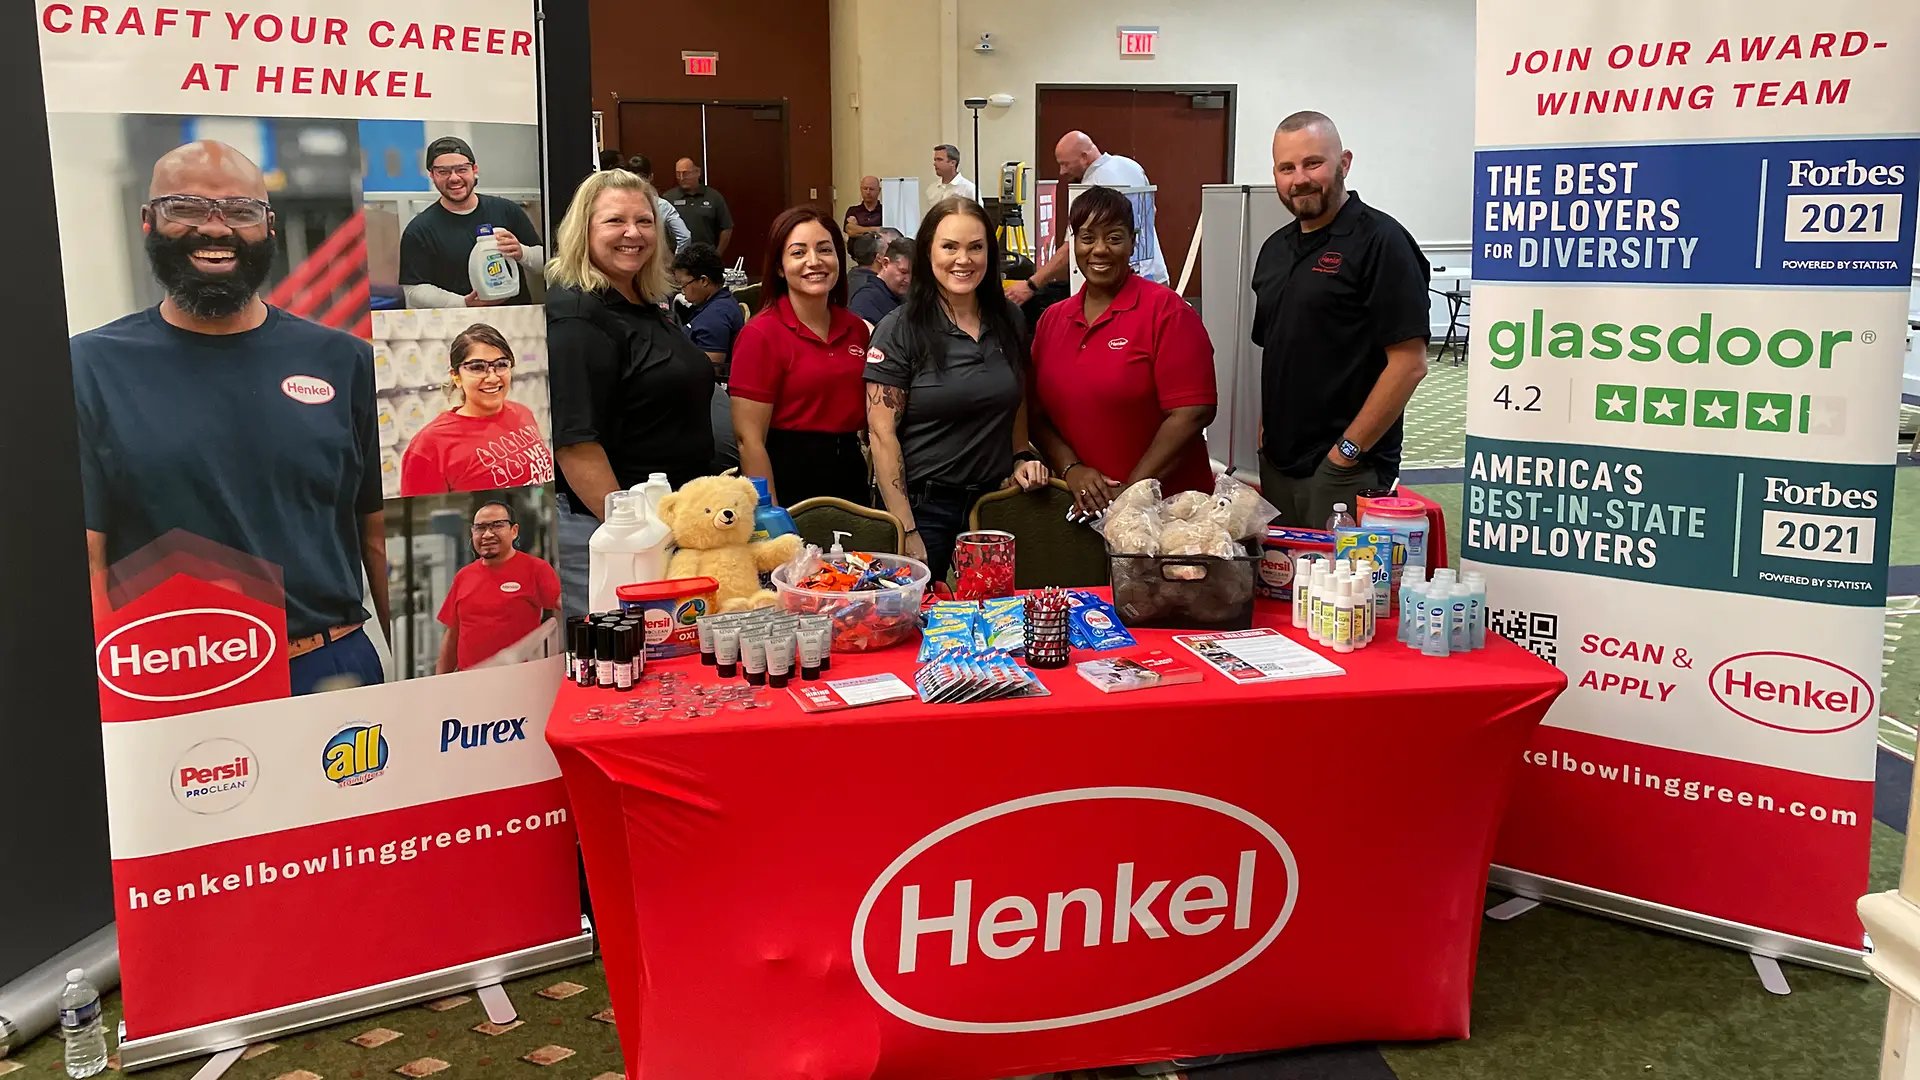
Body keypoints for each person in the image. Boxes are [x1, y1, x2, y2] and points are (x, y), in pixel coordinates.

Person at [72, 140, 388, 696]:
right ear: (149, 221)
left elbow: (380, 538)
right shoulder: (89, 367)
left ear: (267, 226)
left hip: (329, 672)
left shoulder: (347, 362)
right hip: (169, 679)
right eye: (186, 207)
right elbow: (87, 554)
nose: (216, 228)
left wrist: (435, 691)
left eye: (241, 211)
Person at [547, 168, 715, 621]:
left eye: (644, 221)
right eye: (614, 221)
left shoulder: (645, 302)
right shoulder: (578, 315)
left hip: (667, 527)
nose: (632, 233)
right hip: (614, 536)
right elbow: (576, 444)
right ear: (583, 230)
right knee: (623, 667)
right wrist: (634, 536)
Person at [1254, 110, 1429, 527]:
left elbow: (1409, 364)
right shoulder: (1274, 250)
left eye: (1313, 163)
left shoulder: (1382, 242)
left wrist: (1345, 454)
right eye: (1287, 168)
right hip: (1279, 466)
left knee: (1343, 592)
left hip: (1346, 470)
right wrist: (1266, 437)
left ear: (1344, 163)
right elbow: (1277, 349)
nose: (1299, 179)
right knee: (1284, 590)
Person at [865, 198, 1050, 582]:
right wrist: (906, 529)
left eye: (975, 247)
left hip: (994, 500)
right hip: (925, 506)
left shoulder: (1009, 320)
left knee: (999, 619)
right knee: (918, 622)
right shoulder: (900, 328)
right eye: (949, 247)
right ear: (928, 251)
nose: (963, 260)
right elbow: (882, 435)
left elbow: (1014, 393)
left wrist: (1020, 455)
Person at [1030, 187, 1217, 517]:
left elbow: (1192, 412)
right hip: (1080, 510)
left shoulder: (1166, 312)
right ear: (1074, 243)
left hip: (1169, 514)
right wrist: (1071, 468)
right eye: (1087, 238)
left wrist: (1132, 496)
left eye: (1114, 238)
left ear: (1133, 241)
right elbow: (1035, 414)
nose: (1099, 250)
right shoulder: (1052, 319)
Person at [729, 207, 872, 507]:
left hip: (848, 469)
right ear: (780, 267)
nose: (814, 261)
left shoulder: (857, 329)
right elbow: (749, 440)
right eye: (798, 252)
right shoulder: (761, 334)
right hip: (787, 474)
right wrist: (771, 515)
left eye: (824, 250)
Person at [1007, 130, 1168, 308]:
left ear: (1084, 157)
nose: (1062, 172)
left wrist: (1031, 285)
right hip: (1154, 275)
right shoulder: (1130, 166)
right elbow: (1152, 210)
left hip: (1117, 289)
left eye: (1065, 164)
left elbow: (1070, 248)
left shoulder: (1088, 190)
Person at [400, 323, 555, 495]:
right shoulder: (428, 446)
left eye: (501, 364)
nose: (492, 377)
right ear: (456, 377)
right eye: (477, 367)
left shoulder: (522, 413)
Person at [401, 136, 545, 307]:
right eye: (443, 171)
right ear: (432, 175)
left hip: (514, 319)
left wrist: (523, 252)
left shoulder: (506, 210)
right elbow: (413, 290)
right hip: (459, 324)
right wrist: (462, 303)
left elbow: (547, 264)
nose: (454, 178)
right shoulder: (420, 229)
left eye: (462, 169)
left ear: (474, 170)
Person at [436, 501, 560, 673]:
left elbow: (563, 610)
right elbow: (452, 636)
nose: (487, 534)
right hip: (470, 681)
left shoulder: (536, 569)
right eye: (480, 528)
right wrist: (440, 681)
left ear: (514, 531)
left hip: (520, 678)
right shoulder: (463, 576)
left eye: (497, 526)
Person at [670, 241, 745, 380]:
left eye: (684, 285)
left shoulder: (714, 317)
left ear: (704, 281)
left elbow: (708, 374)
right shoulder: (721, 303)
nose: (682, 291)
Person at [625, 154, 692, 252]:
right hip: (658, 262)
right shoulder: (662, 206)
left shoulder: (616, 204)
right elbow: (685, 236)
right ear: (651, 177)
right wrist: (676, 263)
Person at [666, 158, 734, 253]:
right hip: (677, 258)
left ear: (698, 172)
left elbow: (726, 227)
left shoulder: (713, 197)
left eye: (685, 173)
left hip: (705, 257)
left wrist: (717, 255)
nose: (681, 178)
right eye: (678, 174)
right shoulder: (668, 198)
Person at [848, 235, 911, 326]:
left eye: (914, 274)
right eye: (903, 272)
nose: (908, 280)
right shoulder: (865, 300)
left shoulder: (904, 296)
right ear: (885, 263)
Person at [926, 144, 977, 209]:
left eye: (939, 159)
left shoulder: (968, 189)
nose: (935, 163)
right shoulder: (931, 189)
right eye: (935, 160)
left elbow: (979, 215)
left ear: (952, 163)